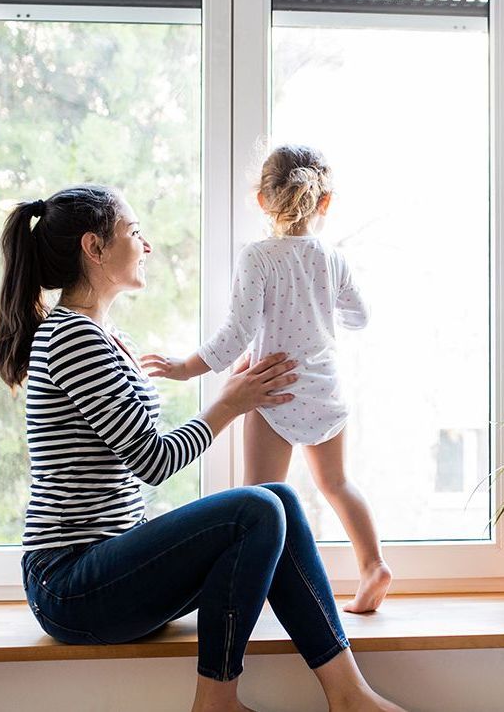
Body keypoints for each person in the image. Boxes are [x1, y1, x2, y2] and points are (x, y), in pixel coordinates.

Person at [0, 184, 404, 712]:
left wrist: (234, 395)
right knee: (255, 507)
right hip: (70, 585)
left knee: (278, 498)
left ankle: (350, 695)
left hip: (107, 571)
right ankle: (216, 704)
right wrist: (230, 404)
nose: (148, 245)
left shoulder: (105, 335)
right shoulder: (71, 337)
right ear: (94, 248)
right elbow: (153, 460)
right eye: (134, 232)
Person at [142, 145, 392, 613]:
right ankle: (373, 564)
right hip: (324, 387)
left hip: (271, 389)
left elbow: (235, 334)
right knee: (337, 484)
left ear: (262, 200)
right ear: (325, 202)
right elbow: (360, 316)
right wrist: (319, 307)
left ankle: (257, 593)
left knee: (258, 500)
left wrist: (182, 367)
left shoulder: (257, 258)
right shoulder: (331, 258)